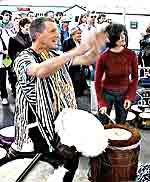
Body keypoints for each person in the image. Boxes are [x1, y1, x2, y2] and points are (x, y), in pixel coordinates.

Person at [9, 17, 106, 181]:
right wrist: (76, 50)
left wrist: (96, 46)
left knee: (69, 164)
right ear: (38, 34)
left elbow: (87, 59)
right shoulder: (23, 58)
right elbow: (40, 71)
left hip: (59, 121)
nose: (58, 34)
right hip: (36, 128)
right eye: (53, 31)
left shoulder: (55, 55)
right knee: (48, 169)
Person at [95, 23, 138, 124]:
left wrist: (130, 97)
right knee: (103, 124)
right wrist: (101, 102)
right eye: (119, 34)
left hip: (124, 94)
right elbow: (97, 81)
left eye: (124, 34)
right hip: (106, 94)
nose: (123, 37)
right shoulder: (103, 57)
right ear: (112, 37)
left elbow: (135, 78)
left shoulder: (131, 55)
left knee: (121, 125)